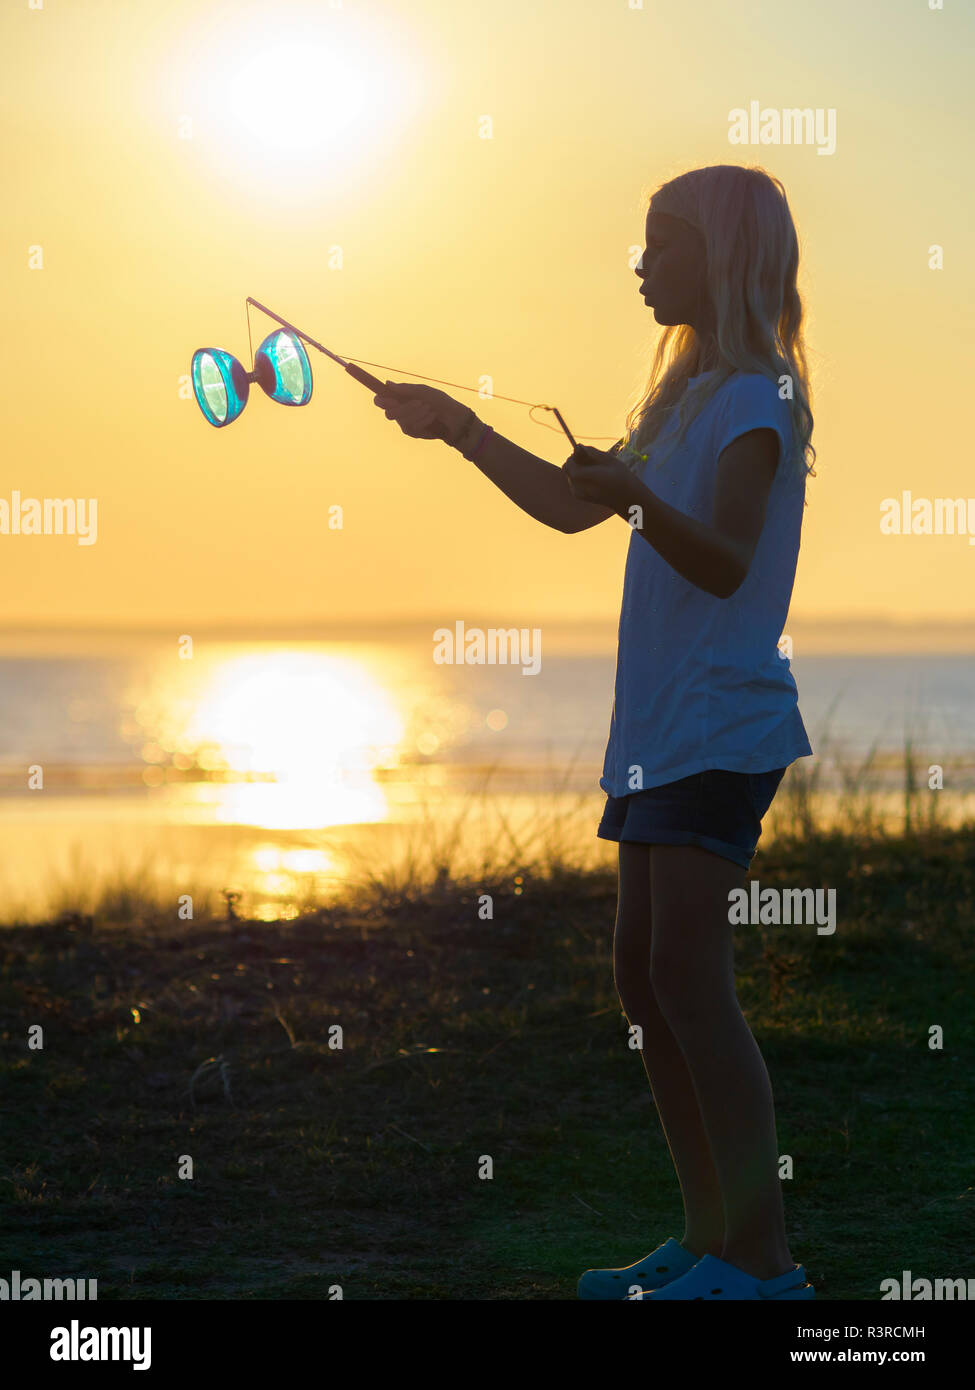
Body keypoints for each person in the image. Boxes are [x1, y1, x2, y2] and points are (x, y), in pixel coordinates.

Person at [371, 163, 817, 1301]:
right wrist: (459, 428)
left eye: (661, 243)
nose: (641, 263)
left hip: (722, 726)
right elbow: (574, 505)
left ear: (719, 258)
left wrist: (633, 497)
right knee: (642, 976)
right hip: (658, 731)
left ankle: (762, 1265)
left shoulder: (757, 400)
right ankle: (707, 1235)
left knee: (688, 977)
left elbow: (720, 561)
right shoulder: (682, 399)